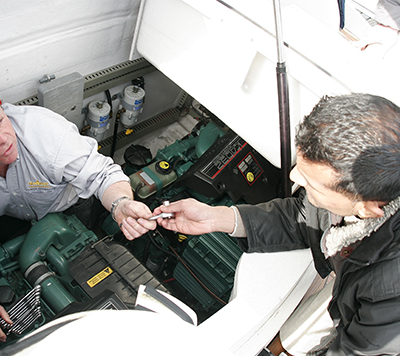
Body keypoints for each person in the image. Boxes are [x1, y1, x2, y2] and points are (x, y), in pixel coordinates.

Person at [153, 93, 400, 355]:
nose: (294, 176)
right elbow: (304, 215)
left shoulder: (388, 291)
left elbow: (360, 349)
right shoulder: (373, 190)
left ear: (368, 207)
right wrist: (217, 217)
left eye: (311, 181)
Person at [0, 79, 157, 342]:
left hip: (72, 210)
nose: (4, 139)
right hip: (15, 218)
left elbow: (101, 173)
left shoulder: (43, 131)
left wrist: (120, 205)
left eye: (0, 120)